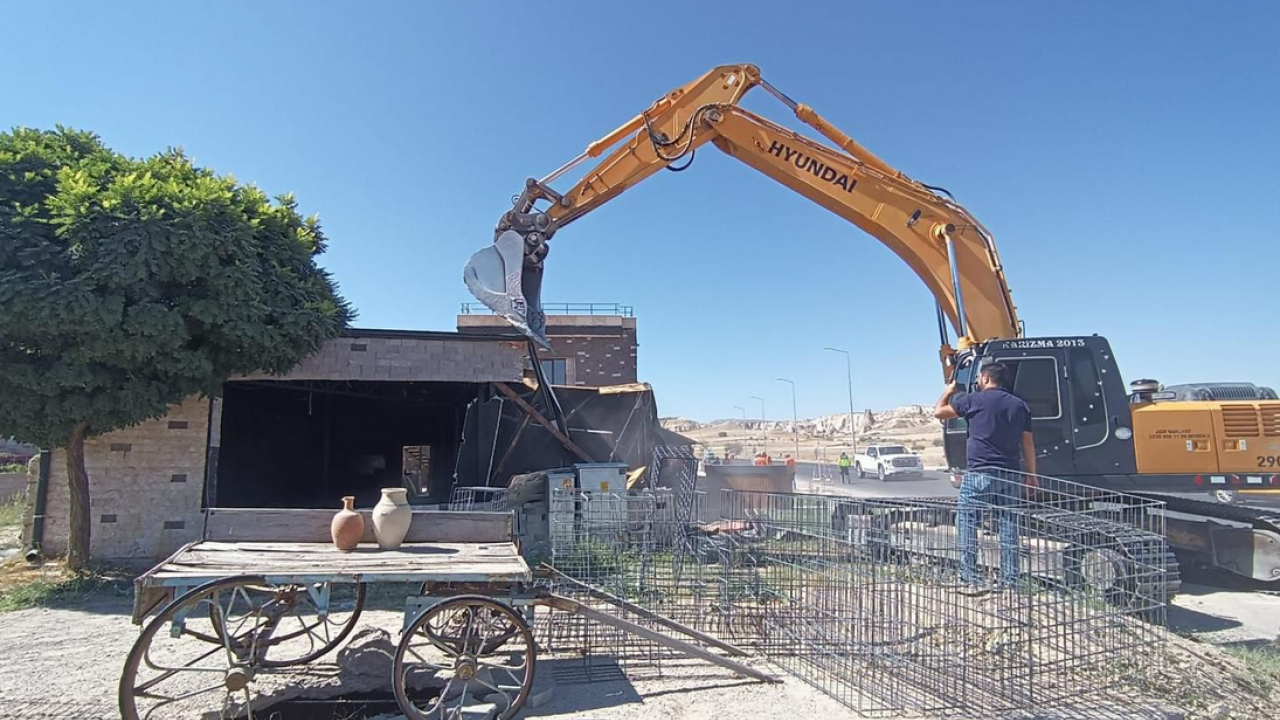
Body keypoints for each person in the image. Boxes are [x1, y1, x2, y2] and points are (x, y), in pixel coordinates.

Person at [934, 362, 1036, 589]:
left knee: (967, 520)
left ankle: (970, 576)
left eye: (980, 377)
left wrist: (949, 391)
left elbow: (939, 411)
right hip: (1009, 473)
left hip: (980, 472)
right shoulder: (1019, 405)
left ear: (986, 378)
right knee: (1008, 524)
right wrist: (1032, 474)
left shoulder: (972, 400)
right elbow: (1028, 442)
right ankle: (1010, 581)